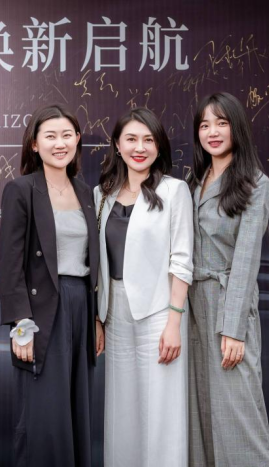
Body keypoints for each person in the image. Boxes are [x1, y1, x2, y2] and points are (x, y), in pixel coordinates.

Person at [0, 104, 104, 467]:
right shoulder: (21, 190)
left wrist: (96, 318)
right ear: (34, 143)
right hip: (42, 311)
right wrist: (21, 326)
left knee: (77, 409)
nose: (60, 143)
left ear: (77, 139)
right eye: (50, 136)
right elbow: (10, 264)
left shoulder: (86, 192)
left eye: (67, 135)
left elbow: (92, 262)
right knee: (44, 413)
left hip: (81, 307)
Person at [94, 107, 194, 467]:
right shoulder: (101, 194)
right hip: (115, 313)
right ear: (117, 145)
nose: (140, 148)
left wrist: (174, 322)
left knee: (162, 409)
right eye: (132, 139)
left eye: (148, 140)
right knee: (122, 409)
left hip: (160, 311)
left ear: (159, 146)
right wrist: (98, 319)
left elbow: (182, 260)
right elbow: (97, 263)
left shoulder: (174, 190)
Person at [186, 92, 269, 466]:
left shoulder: (256, 183)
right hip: (192, 310)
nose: (212, 132)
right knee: (202, 418)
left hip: (228, 307)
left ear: (236, 127)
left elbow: (246, 261)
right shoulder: (194, 181)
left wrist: (234, 330)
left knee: (238, 418)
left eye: (221, 123)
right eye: (205, 125)